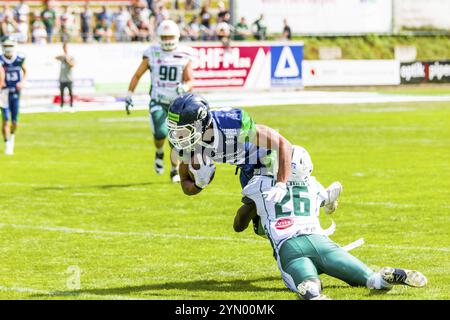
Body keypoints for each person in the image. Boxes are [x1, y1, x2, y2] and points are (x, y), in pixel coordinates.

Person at [233, 145, 427, 300]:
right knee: (370, 279)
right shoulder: (313, 185)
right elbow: (327, 196)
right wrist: (329, 201)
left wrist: (254, 210)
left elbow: (238, 225)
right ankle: (384, 278)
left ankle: (312, 290)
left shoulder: (261, 185)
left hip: (289, 247)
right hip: (322, 243)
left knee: (309, 282)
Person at [167, 94, 294, 216]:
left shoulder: (232, 123)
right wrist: (199, 184)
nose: (177, 135)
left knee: (267, 218)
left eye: (183, 129)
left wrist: (281, 184)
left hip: (267, 161)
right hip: (246, 168)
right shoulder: (185, 143)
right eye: (175, 129)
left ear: (201, 124)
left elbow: (283, 144)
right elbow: (185, 184)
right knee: (248, 225)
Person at [125, 20, 195, 183]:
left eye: (170, 36)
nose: (168, 40)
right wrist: (129, 94)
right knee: (160, 133)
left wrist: (184, 88)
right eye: (164, 36)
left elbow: (190, 80)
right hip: (158, 100)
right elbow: (137, 74)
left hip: (177, 104)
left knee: (175, 139)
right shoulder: (152, 52)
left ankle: (174, 169)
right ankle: (158, 152)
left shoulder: (184, 54)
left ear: (177, 36)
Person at [0, 37, 26, 155]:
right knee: (5, 119)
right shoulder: (1, 60)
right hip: (4, 93)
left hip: (15, 92)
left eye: (10, 46)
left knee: (14, 122)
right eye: (6, 46)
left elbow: (25, 71)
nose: (8, 49)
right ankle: (7, 144)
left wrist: (23, 82)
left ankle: (12, 136)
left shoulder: (19, 59)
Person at [55, 43, 75, 111]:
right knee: (61, 93)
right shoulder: (62, 57)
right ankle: (61, 106)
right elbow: (56, 57)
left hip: (69, 78)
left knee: (70, 93)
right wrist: (63, 57)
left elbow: (72, 65)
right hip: (62, 79)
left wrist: (67, 60)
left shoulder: (70, 57)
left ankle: (71, 106)